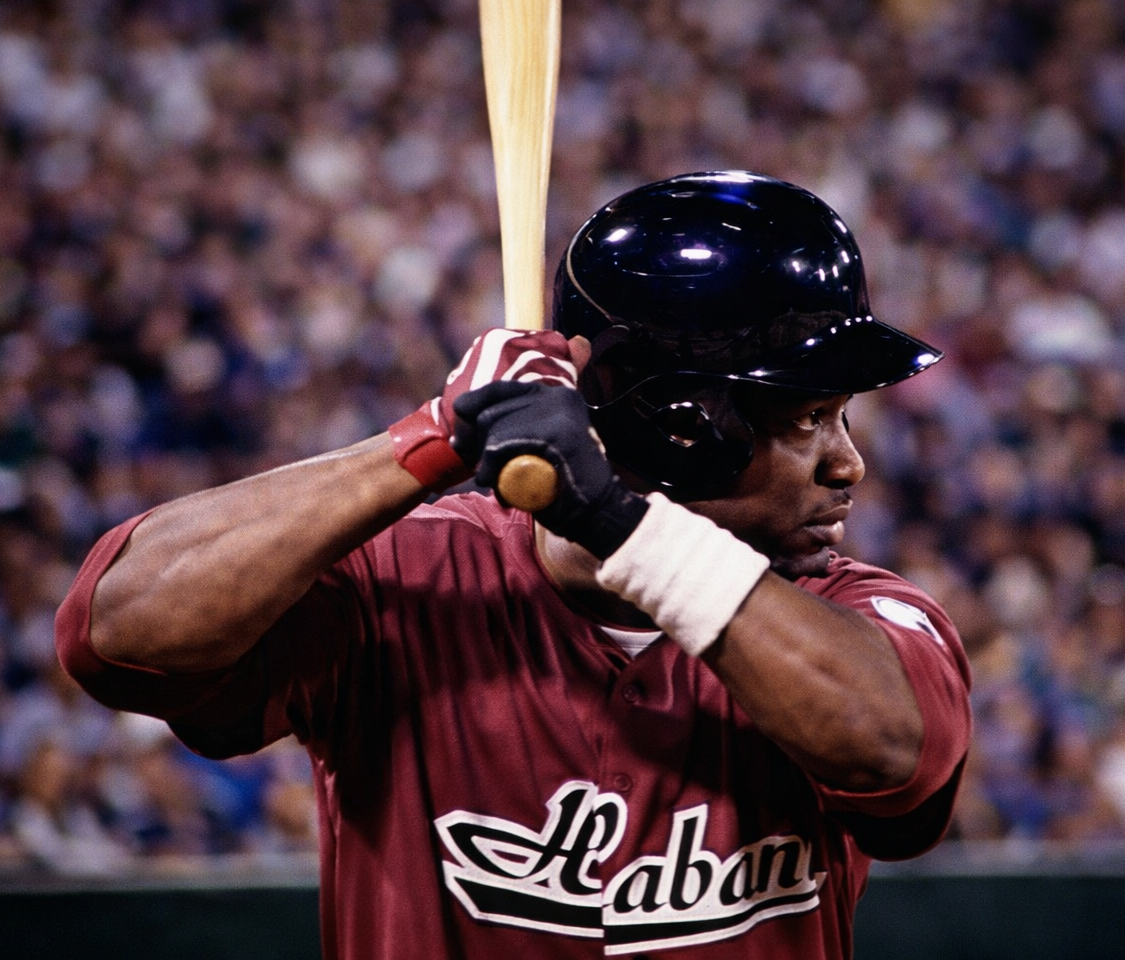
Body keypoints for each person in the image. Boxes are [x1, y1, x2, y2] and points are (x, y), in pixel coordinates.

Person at [56, 171, 972, 958]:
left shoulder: (854, 616)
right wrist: (427, 439)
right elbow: (116, 637)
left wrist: (619, 521)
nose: (848, 463)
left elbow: (894, 757)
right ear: (680, 423)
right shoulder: (410, 582)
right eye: (808, 419)